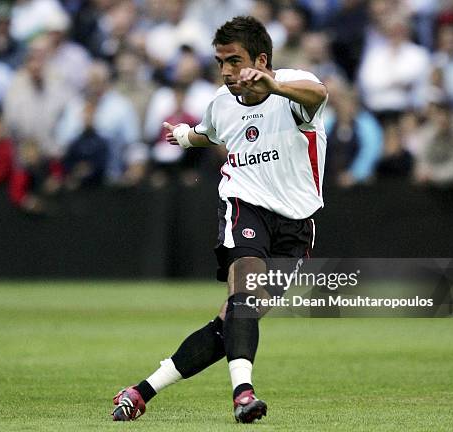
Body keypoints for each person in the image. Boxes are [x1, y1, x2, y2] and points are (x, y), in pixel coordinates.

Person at [111, 16, 327, 424]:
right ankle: (243, 394)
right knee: (243, 293)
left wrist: (274, 85)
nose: (226, 71)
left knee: (231, 322)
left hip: (297, 224)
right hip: (244, 206)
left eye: (235, 60)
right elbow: (208, 132)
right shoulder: (221, 102)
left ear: (261, 60)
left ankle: (140, 391)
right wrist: (182, 136)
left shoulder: (293, 86)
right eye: (220, 62)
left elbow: (319, 95)